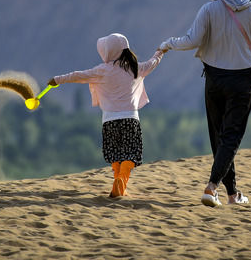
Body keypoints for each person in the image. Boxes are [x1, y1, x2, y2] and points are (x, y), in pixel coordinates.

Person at [159, 0, 251, 207]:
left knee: (219, 137)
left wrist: (167, 44)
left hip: (214, 79)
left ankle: (232, 194)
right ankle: (211, 187)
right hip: (241, 81)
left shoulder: (209, 10)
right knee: (231, 136)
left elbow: (191, 41)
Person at [48, 33, 165, 198]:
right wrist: (160, 51)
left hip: (109, 122)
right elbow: (153, 63)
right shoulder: (135, 68)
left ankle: (117, 180)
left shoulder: (102, 70)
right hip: (130, 120)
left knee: (115, 154)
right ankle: (121, 183)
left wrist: (56, 80)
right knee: (131, 154)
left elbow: (78, 75)